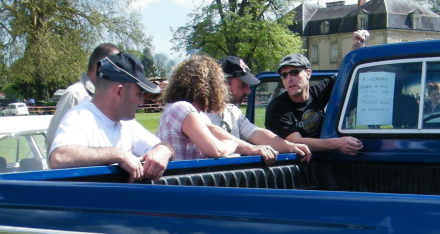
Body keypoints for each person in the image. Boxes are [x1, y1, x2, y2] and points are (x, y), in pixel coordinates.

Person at [49, 51, 173, 181]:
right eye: (139, 94)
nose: (142, 102)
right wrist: (117, 154)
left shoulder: (127, 124)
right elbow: (59, 157)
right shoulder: (80, 117)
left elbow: (162, 146)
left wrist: (163, 151)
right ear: (120, 91)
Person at [265, 29, 369, 154]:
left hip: (321, 158)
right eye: (284, 75)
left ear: (308, 73)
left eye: (294, 72)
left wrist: (357, 44)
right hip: (293, 165)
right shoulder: (277, 108)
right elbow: (297, 142)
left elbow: (344, 75)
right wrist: (336, 143)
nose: (289, 79)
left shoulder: (317, 92)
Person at [157, 55, 277, 162]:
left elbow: (215, 131)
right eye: (218, 84)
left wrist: (251, 148)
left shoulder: (193, 113)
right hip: (180, 185)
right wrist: (230, 146)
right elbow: (215, 150)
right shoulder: (182, 108)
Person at [217, 55, 311, 162]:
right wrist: (251, 149)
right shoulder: (200, 112)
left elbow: (256, 133)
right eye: (242, 85)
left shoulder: (232, 112)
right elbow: (214, 137)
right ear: (222, 84)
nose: (248, 91)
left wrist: (290, 146)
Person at [45, 43, 120, 154]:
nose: (119, 72)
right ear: (99, 67)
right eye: (115, 67)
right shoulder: (75, 94)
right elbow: (54, 143)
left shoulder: (109, 95)